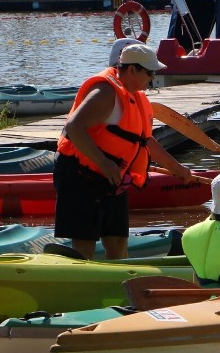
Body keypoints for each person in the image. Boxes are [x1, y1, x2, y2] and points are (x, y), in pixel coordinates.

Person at [54, 44, 192, 259]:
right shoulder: (105, 92)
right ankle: (79, 283)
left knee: (118, 241)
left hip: (111, 178)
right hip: (80, 174)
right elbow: (73, 127)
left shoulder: (136, 96)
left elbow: (145, 141)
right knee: (84, 243)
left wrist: (177, 168)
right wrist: (103, 162)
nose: (152, 78)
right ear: (131, 70)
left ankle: (118, 285)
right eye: (149, 73)